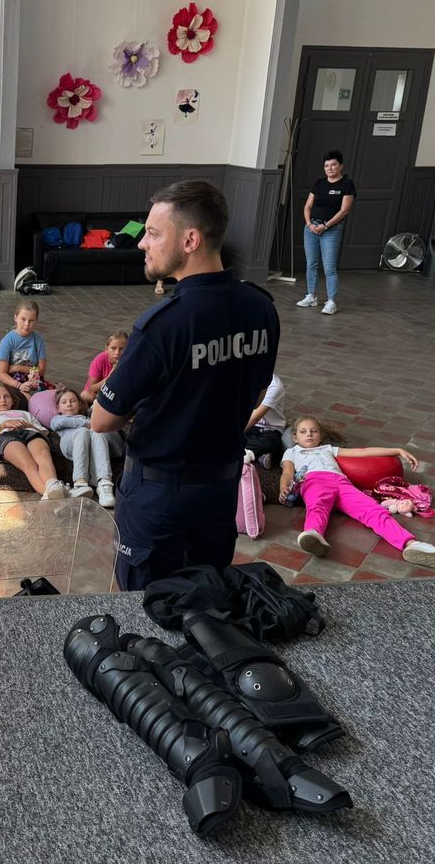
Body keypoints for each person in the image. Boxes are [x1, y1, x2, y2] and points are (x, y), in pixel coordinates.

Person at [91, 180, 280, 591]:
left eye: (153, 233)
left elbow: (102, 420)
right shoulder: (261, 308)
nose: (142, 243)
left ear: (190, 240)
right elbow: (256, 391)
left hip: (159, 497)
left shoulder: (164, 325)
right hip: (220, 490)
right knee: (208, 599)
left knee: (147, 604)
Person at [280, 417, 435, 570]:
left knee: (374, 510)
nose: (309, 434)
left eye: (314, 431)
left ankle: (412, 544)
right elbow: (287, 472)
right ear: (295, 437)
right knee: (317, 506)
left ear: (320, 436)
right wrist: (283, 488)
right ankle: (313, 535)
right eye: (303, 432)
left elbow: (362, 452)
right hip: (314, 481)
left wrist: (397, 450)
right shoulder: (292, 452)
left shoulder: (328, 449)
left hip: (342, 483)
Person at [0, 382, 66, 500]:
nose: (3, 400)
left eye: (6, 396)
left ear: (13, 401)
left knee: (43, 457)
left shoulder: (25, 414)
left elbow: (44, 432)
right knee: (29, 464)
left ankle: (54, 486)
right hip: (6, 436)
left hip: (29, 432)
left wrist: (28, 425)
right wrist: (2, 426)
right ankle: (48, 494)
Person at [297, 150, 356, 315]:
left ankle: (331, 302)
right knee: (311, 264)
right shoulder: (319, 183)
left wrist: (326, 226)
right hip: (311, 228)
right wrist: (309, 224)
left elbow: (344, 211)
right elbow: (308, 206)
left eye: (333, 165)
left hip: (330, 230)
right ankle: (311, 296)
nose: (329, 168)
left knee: (329, 267)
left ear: (341, 166)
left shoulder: (346, 185)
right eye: (326, 165)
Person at [50, 388, 123, 507]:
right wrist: (87, 424)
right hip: (71, 445)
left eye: (73, 401)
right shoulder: (57, 419)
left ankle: (104, 484)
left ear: (79, 405)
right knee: (83, 431)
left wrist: (93, 420)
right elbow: (57, 424)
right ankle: (80, 482)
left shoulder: (89, 417)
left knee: (97, 432)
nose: (69, 404)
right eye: (64, 402)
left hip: (94, 445)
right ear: (58, 408)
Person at [0, 300, 51, 400]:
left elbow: (41, 371)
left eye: (31, 320)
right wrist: (19, 385)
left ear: (36, 321)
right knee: (27, 398)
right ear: (15, 318)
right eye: (23, 319)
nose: (27, 324)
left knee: (51, 396)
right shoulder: (7, 341)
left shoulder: (38, 339)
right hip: (13, 381)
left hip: (34, 379)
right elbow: (1, 373)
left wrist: (17, 368)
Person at [244, 372, 286, 468]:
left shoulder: (274, 386)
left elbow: (254, 418)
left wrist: (231, 437)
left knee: (270, 442)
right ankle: (255, 453)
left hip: (267, 429)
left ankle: (242, 450)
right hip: (244, 425)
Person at [82, 331, 127, 404]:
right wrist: (109, 378)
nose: (117, 353)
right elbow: (92, 388)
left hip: (117, 394)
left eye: (121, 349)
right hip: (99, 394)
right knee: (85, 395)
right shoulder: (99, 360)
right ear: (107, 349)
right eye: (113, 348)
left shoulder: (129, 361)